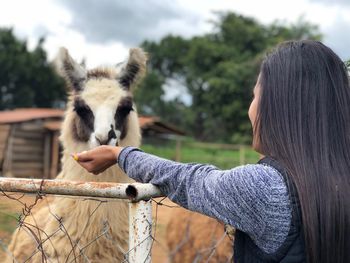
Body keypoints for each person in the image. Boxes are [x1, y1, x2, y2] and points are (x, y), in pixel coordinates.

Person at [73, 40, 350, 263]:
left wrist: (120, 155)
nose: (250, 110)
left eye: (255, 97)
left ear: (279, 107)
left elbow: (189, 179)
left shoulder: (265, 189)